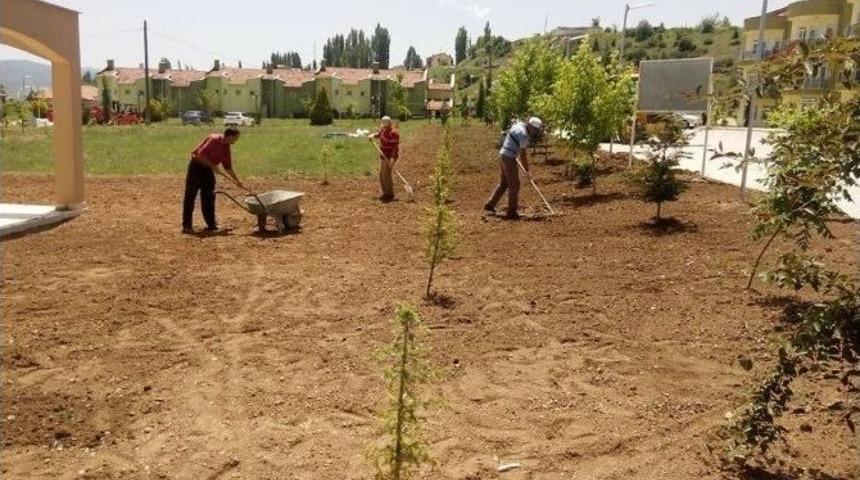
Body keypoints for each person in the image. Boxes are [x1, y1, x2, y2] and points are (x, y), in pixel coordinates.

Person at [182, 128, 246, 234]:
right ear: (230, 136)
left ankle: (211, 225)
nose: (237, 140)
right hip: (196, 167)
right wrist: (213, 166)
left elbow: (228, 167)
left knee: (209, 196)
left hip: (208, 170)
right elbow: (200, 155)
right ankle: (187, 226)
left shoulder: (226, 147)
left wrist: (237, 181)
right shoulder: (213, 139)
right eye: (236, 138)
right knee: (190, 195)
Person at [484, 117, 544, 220]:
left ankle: (490, 205)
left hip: (503, 154)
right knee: (514, 185)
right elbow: (523, 155)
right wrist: (527, 171)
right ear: (530, 126)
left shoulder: (519, 125)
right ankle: (512, 212)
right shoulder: (524, 135)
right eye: (535, 130)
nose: (535, 132)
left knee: (504, 183)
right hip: (509, 158)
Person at [369, 116, 400, 202]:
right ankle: (385, 192)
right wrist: (373, 135)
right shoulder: (384, 129)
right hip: (384, 155)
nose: (382, 125)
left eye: (384, 123)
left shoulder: (394, 133)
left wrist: (392, 160)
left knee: (386, 175)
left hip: (389, 156)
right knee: (382, 174)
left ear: (388, 123)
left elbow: (394, 148)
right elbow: (380, 134)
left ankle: (389, 194)